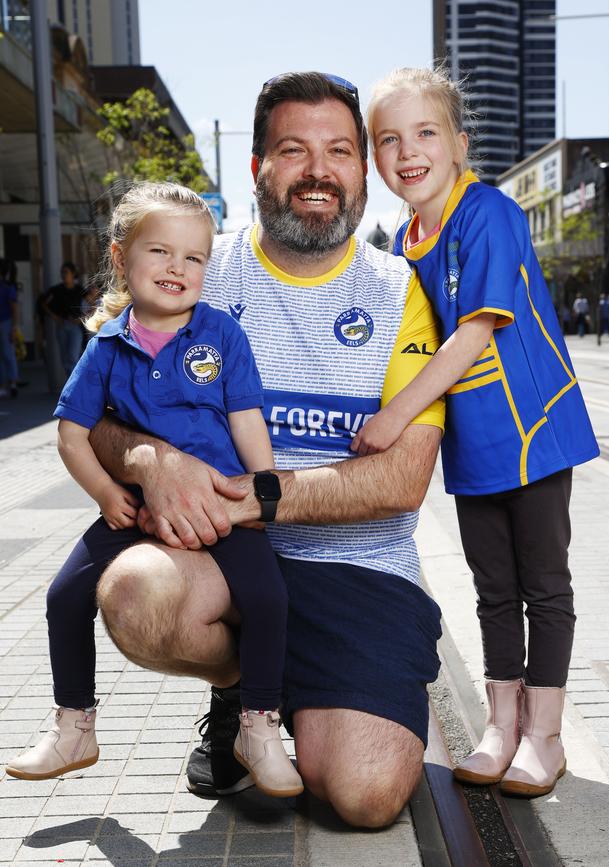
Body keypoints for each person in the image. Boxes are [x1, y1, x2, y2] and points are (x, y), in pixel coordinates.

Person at [76, 73, 446, 828]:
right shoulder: (198, 274)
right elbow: (95, 415)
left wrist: (263, 492)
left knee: (366, 794)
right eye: (293, 149)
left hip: (362, 567)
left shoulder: (402, 292)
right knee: (133, 596)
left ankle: (297, 691)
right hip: (230, 558)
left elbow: (405, 477)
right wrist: (150, 459)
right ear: (257, 169)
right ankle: (244, 690)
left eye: (340, 150)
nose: (318, 170)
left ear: (362, 171)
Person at [5, 182, 303, 798]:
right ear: (121, 258)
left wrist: (262, 488)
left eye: (194, 258)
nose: (177, 268)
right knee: (63, 597)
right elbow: (71, 435)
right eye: (160, 252)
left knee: (271, 600)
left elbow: (247, 417)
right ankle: (74, 726)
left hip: (222, 505)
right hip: (133, 508)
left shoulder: (220, 334)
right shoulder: (107, 346)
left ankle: (258, 727)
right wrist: (104, 497)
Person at [351, 67, 599, 798]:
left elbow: (473, 333)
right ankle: (500, 725)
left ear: (458, 143)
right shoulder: (405, 237)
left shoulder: (488, 211)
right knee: (493, 588)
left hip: (532, 428)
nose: (408, 150)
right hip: (471, 443)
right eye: (388, 139)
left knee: (543, 585)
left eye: (425, 132)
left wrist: (396, 418)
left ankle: (545, 736)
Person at [41, 261, 85, 376]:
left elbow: (94, 304)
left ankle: (75, 386)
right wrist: (55, 317)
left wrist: (82, 318)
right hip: (62, 325)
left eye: (66, 272)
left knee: (73, 356)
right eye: (62, 272)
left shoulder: (79, 290)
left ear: (73, 274)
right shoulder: (56, 290)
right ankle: (71, 384)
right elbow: (44, 304)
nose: (64, 275)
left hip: (75, 326)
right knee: (65, 359)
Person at [0, 258, 19, 398]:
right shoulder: (8, 286)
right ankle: (4, 384)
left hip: (6, 322)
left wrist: (13, 328)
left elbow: (14, 309)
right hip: (5, 322)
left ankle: (12, 383)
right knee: (5, 354)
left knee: (8, 353)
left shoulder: (7, 287)